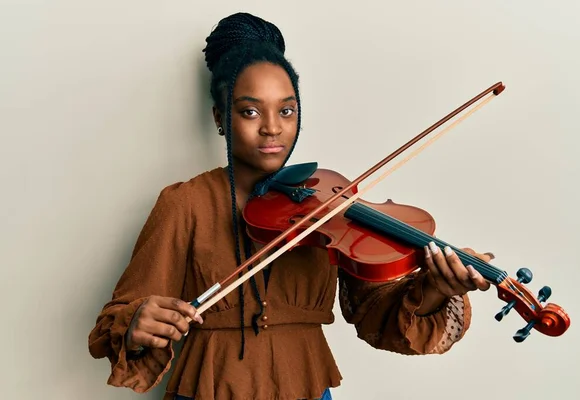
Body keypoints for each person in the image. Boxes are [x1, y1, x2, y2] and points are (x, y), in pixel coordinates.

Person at [88, 12, 494, 400]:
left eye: (286, 110)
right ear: (219, 116)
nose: (271, 127)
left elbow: (377, 316)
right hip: (212, 387)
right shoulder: (185, 203)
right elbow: (118, 316)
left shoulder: (332, 203)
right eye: (250, 111)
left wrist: (437, 288)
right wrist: (136, 322)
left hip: (306, 387)